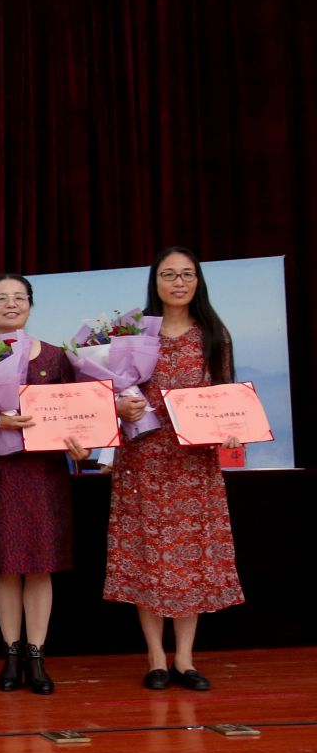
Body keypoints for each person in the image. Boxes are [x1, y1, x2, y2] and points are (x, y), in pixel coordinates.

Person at [106, 247, 244, 691]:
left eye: (186, 274)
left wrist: (232, 429)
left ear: (198, 281)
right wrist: (120, 406)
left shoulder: (214, 334)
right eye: (169, 274)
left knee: (191, 557)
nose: (178, 282)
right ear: (156, 281)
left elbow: (226, 396)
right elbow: (113, 391)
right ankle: (155, 658)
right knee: (147, 556)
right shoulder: (134, 333)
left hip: (193, 462)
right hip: (143, 459)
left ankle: (184, 658)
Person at [0, 273, 89, 695]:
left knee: (41, 564)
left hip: (44, 473)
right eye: (1, 298)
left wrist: (82, 444)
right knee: (6, 565)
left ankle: (37, 654)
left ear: (30, 304)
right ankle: (10, 653)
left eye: (19, 297)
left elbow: (77, 412)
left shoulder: (56, 356)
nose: (11, 304)